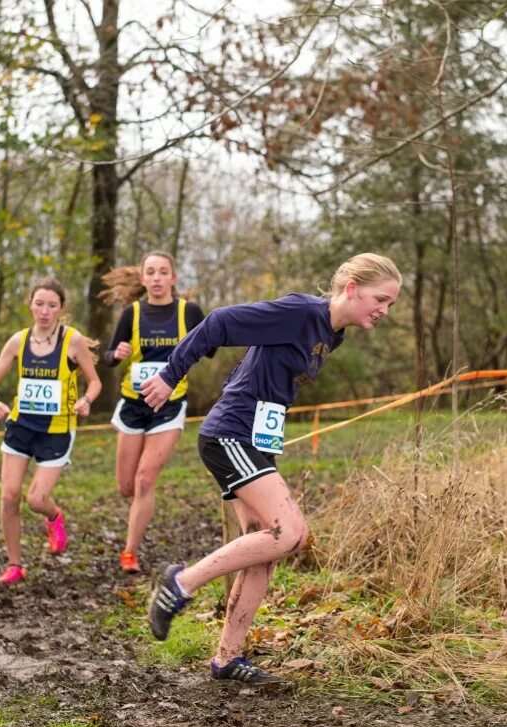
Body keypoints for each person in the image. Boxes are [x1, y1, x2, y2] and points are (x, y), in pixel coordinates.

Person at [139, 253, 401, 683]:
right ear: (352, 289)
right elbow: (220, 322)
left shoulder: (331, 335)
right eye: (381, 299)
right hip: (231, 436)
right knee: (290, 533)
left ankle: (228, 658)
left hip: (254, 441)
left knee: (264, 551)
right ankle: (180, 583)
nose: (384, 311)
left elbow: (256, 370)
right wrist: (171, 376)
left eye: (390, 304)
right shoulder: (301, 313)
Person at [0, 278, 102, 584]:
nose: (45, 311)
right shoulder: (18, 341)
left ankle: (53, 515)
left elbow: (95, 382)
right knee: (9, 497)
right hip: (21, 426)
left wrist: (86, 400)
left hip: (57, 430)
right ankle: (15, 565)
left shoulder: (72, 341)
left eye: (52, 305)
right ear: (30, 305)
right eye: (39, 304)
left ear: (61, 308)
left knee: (35, 500)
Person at [103, 252, 210, 573]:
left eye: (164, 272)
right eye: (151, 272)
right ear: (143, 279)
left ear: (173, 279)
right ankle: (139, 508)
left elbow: (212, 344)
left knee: (145, 479)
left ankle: (129, 552)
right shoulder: (131, 314)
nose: (158, 277)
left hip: (169, 406)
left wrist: (202, 342)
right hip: (133, 406)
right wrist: (116, 353)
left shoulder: (187, 311)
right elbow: (109, 356)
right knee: (126, 486)